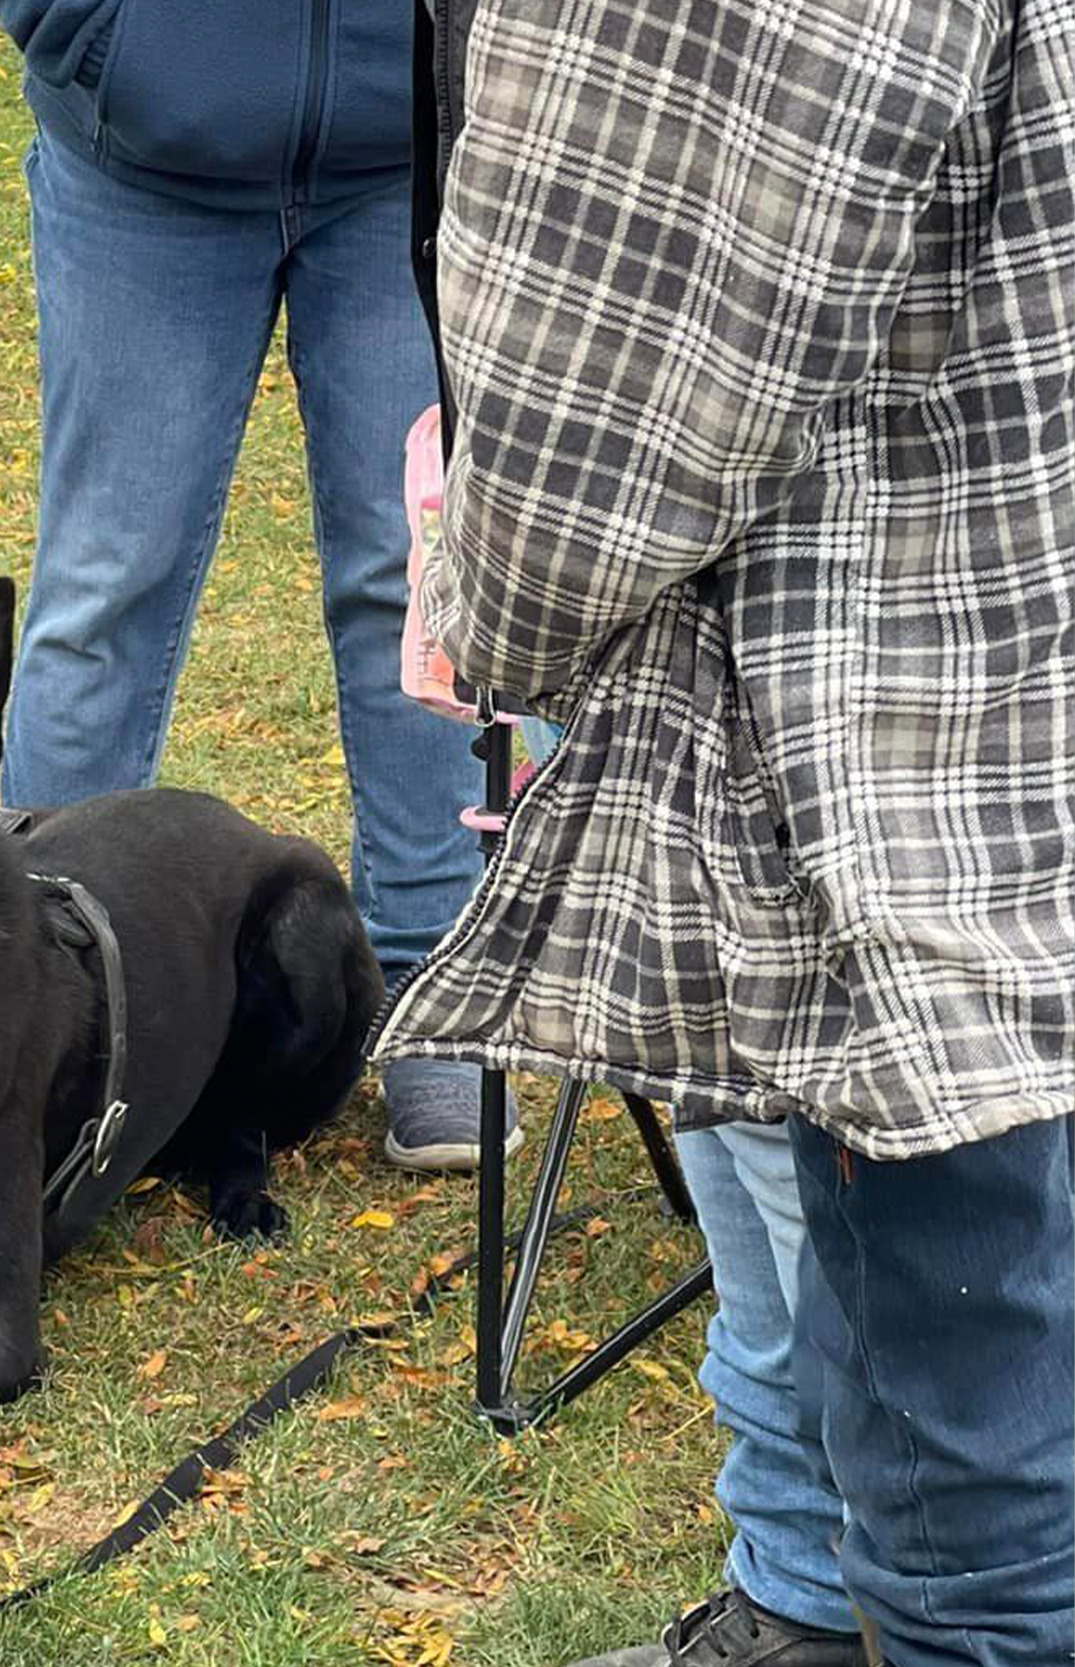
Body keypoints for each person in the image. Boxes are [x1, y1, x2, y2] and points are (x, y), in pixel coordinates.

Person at [375, 0, 1075, 1661]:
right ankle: (805, 1606)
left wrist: (502, 603)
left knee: (979, 1510)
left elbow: (617, 357)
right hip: (988, 651)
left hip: (915, 724)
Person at [0, 0, 511, 1172]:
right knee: (105, 587)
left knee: (420, 577)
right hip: (141, 163)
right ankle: (41, 996)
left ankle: (432, 985)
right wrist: (87, 33)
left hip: (416, 157)